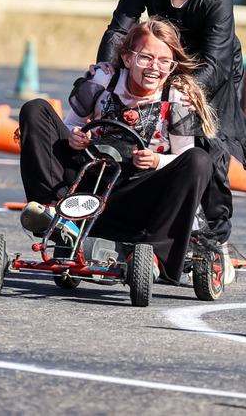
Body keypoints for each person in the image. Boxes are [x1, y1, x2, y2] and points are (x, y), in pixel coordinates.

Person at [91, 0, 246, 281]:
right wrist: (104, 71)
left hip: (209, 70)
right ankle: (127, 225)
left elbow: (215, 64)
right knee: (131, 129)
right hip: (158, 60)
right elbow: (119, 29)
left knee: (209, 146)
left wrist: (178, 87)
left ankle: (215, 242)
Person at [18, 17, 215, 285]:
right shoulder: (104, 80)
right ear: (127, 58)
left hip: (138, 193)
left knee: (199, 161)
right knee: (35, 109)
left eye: (164, 61)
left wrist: (157, 160)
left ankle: (152, 254)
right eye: (146, 57)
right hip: (88, 181)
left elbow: (183, 157)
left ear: (172, 66)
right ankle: (55, 211)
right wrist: (77, 137)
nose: (154, 67)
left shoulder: (177, 97)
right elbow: (70, 126)